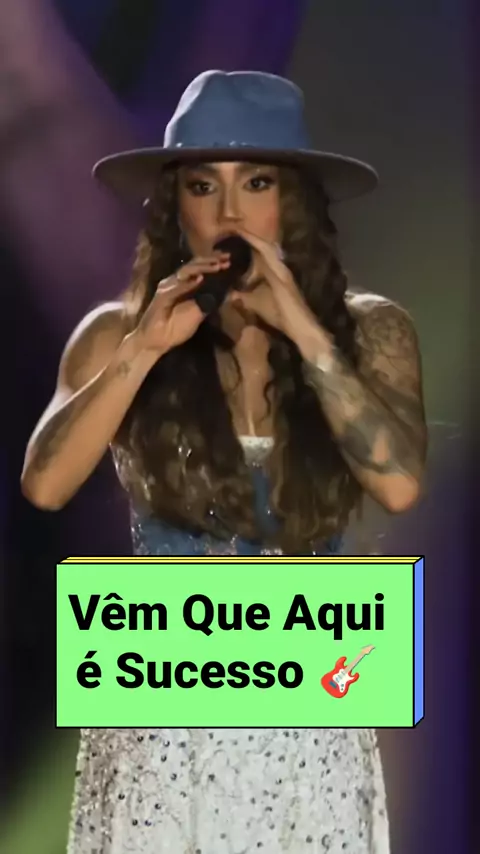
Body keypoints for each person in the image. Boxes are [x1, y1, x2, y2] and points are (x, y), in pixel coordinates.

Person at [21, 70, 427, 853]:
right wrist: (144, 349)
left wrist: (306, 333)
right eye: (204, 186)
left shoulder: (371, 334)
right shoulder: (114, 336)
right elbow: (45, 484)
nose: (230, 215)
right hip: (161, 735)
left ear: (295, 202)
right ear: (175, 205)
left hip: (308, 729)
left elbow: (400, 483)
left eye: (258, 184)